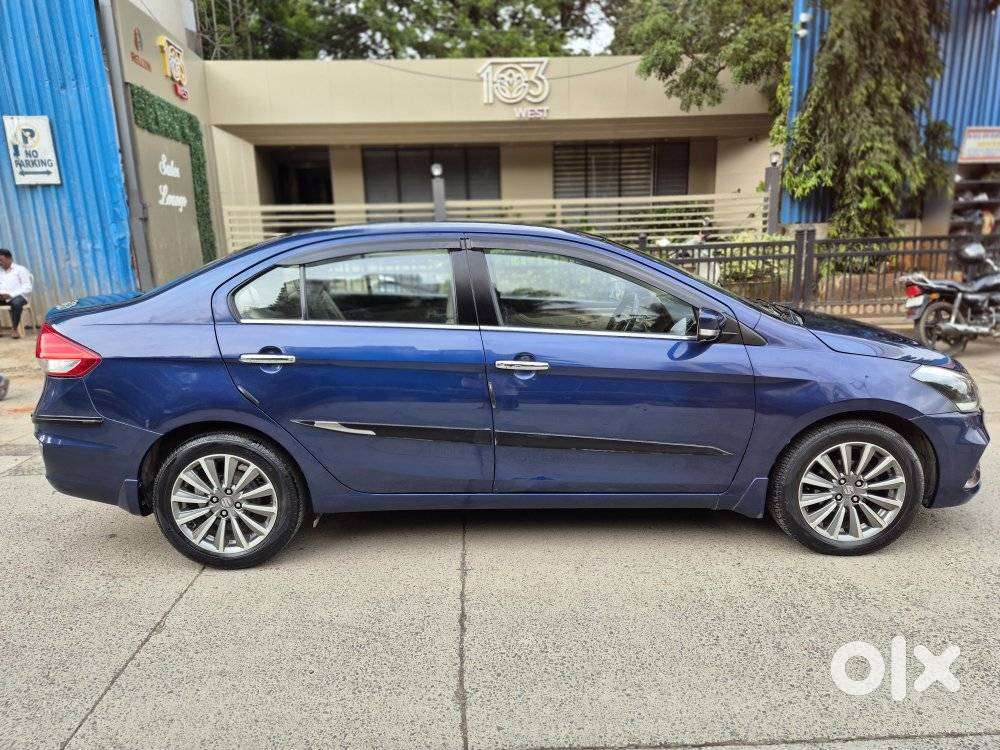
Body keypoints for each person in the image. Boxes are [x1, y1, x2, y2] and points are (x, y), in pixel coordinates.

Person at [0, 249, 32, 339]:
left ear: (9, 258)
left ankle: (15, 329)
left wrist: (11, 295)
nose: (0, 263)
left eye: (1, 260)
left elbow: (27, 287)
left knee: (16, 303)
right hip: (3, 297)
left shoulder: (20, 270)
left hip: (18, 297)